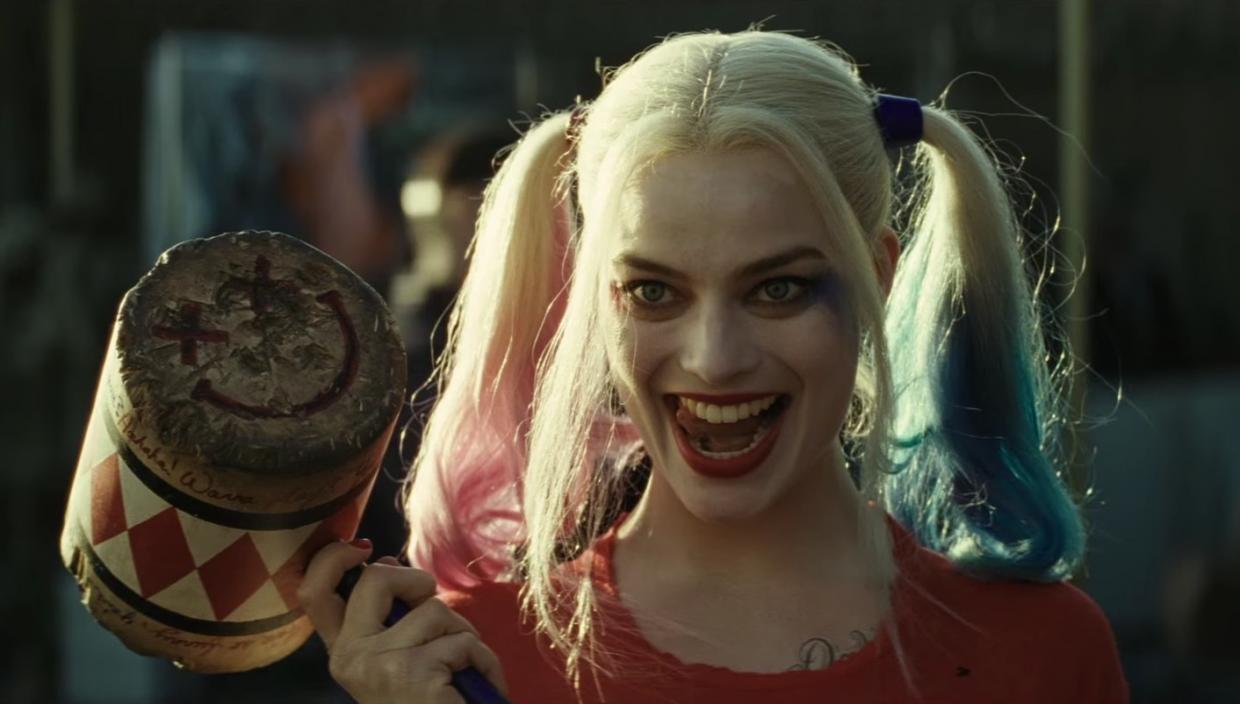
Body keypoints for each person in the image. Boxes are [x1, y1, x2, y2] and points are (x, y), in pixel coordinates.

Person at [298, 29, 1129, 703]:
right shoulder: (466, 661)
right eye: (654, 292)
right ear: (596, 302)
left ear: (877, 277)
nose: (715, 359)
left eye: (778, 288)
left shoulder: (1042, 651)